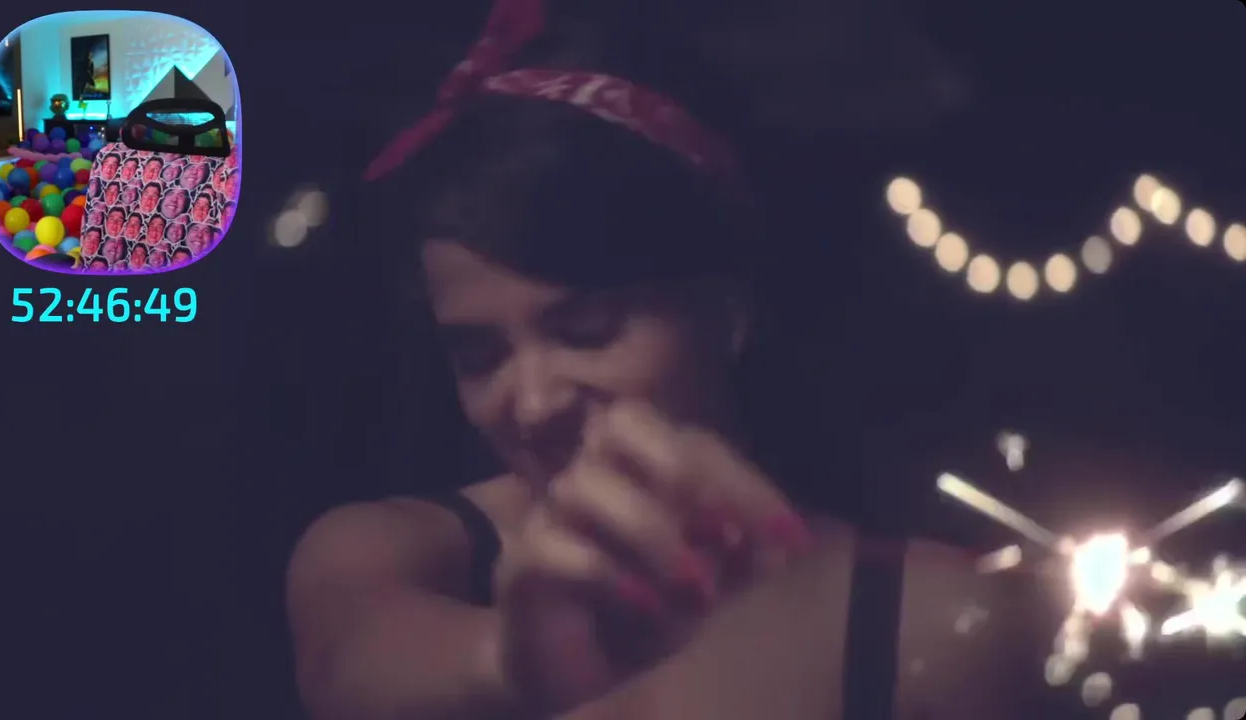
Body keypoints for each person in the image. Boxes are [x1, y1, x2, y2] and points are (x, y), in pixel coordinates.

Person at [288, 2, 983, 719]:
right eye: (480, 356)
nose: (534, 403)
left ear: (727, 313)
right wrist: (510, 659)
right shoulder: (389, 552)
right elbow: (350, 661)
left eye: (587, 330)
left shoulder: (925, 617)